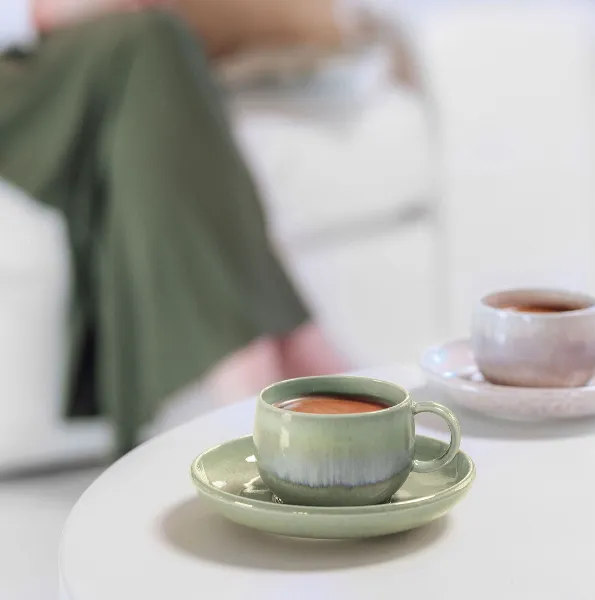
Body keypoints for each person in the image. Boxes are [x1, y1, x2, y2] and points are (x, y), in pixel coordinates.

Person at [0, 0, 349, 456]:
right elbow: (44, 12)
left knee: (153, 67)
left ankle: (258, 383)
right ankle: (282, 359)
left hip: (76, 58)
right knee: (154, 40)